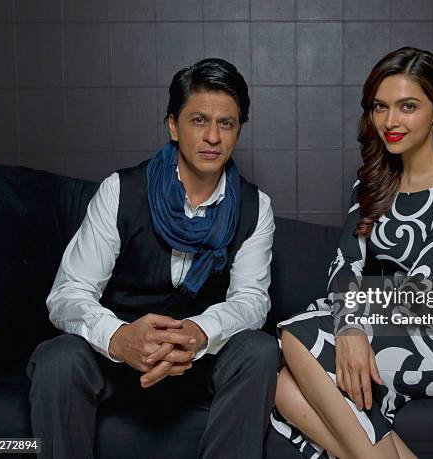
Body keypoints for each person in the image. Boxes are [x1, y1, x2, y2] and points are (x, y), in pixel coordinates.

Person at [26, 58, 279, 459]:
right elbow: (68, 292)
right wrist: (118, 338)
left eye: (226, 124)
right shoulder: (121, 190)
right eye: (199, 120)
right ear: (174, 126)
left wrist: (197, 333)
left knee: (260, 350)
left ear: (238, 131)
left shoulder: (253, 206)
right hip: (118, 358)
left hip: (198, 361)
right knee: (58, 359)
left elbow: (251, 300)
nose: (213, 136)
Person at [271, 47, 433, 458]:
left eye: (407, 106)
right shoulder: (374, 182)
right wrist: (351, 327)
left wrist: (352, 326)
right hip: (383, 320)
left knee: (298, 338)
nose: (390, 122)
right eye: (381, 107)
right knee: (280, 381)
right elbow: (345, 265)